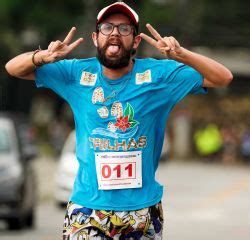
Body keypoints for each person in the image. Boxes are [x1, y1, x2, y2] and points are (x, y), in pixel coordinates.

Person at [5, 2, 233, 239]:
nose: (114, 33)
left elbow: (222, 78)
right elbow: (13, 68)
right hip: (88, 209)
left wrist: (181, 54)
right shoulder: (74, 73)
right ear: (95, 38)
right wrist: (44, 56)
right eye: (107, 28)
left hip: (141, 212)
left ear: (135, 41)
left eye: (124, 29)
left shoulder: (160, 76)